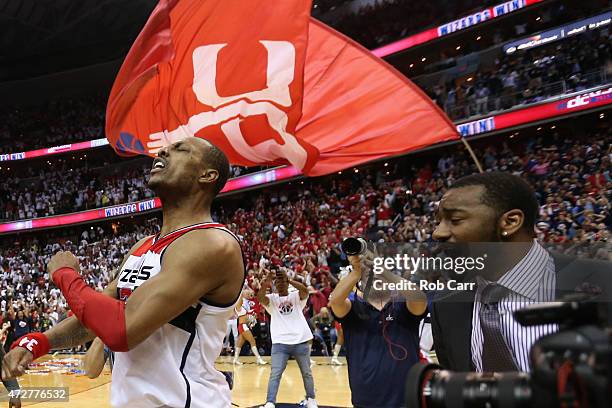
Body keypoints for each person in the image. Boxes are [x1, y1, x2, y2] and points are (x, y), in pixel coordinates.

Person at [2, 138, 245, 408]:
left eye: (181, 149)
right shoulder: (143, 246)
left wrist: (66, 275)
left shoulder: (213, 244)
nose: (163, 150)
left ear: (207, 175)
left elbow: (122, 330)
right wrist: (39, 342)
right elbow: (92, 319)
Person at [430, 172, 611, 372]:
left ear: (510, 222)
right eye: (438, 222)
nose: (438, 233)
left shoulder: (603, 282)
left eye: (454, 220)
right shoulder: (445, 306)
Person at [328, 254, 427, 408]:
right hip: (365, 402)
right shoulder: (352, 310)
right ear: (360, 283)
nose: (374, 276)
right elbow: (335, 300)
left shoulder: (403, 306)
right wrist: (356, 271)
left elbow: (419, 298)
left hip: (406, 401)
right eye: (368, 275)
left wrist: (383, 269)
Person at [257, 268, 317, 408]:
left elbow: (305, 291)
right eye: (277, 282)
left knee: (307, 373)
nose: (280, 283)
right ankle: (270, 402)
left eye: (282, 281)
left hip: (300, 341)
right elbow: (260, 298)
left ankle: (311, 399)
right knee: (275, 374)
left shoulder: (295, 295)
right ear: (274, 285)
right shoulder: (272, 299)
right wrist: (267, 282)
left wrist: (288, 279)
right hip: (280, 344)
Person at [233, 289, 266, 365]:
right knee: (252, 341)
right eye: (247, 294)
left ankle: (235, 359)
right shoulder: (238, 305)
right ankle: (259, 359)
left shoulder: (243, 307)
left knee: (239, 343)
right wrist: (241, 292)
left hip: (243, 326)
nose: (248, 295)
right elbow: (240, 299)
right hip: (243, 326)